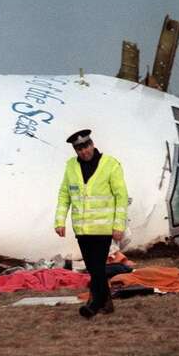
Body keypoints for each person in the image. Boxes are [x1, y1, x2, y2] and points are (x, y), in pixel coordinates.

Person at [54, 129, 128, 318]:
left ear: (92, 144)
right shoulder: (71, 166)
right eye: (79, 149)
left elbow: (121, 196)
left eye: (86, 146)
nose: (84, 151)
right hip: (82, 229)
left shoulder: (110, 164)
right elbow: (64, 195)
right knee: (95, 269)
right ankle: (107, 302)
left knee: (96, 269)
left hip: (103, 228)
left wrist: (119, 226)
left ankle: (93, 305)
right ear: (75, 150)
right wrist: (59, 221)